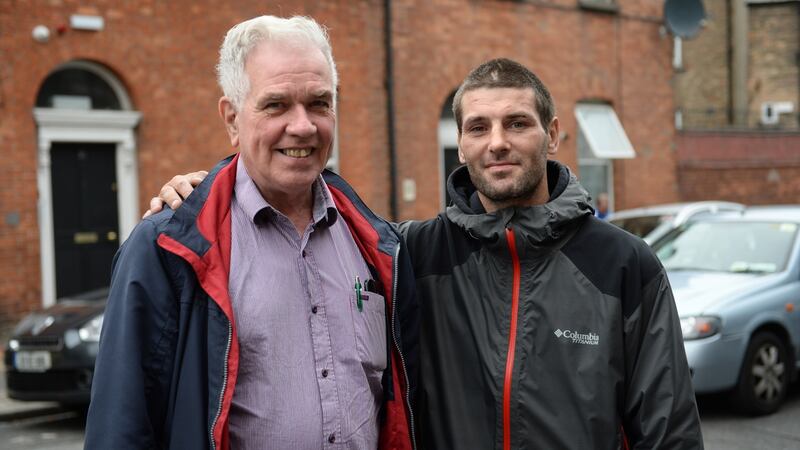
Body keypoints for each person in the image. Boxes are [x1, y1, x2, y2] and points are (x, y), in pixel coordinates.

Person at [150, 59, 703, 448]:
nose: (498, 142)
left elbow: (668, 428)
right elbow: (303, 211)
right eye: (478, 127)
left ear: (552, 134)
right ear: (460, 143)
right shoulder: (409, 252)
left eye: (518, 124)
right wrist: (206, 193)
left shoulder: (624, 264)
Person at [85, 15, 418, 450]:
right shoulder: (166, 248)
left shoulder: (378, 245)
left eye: (319, 103)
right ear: (232, 118)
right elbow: (120, 427)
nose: (302, 126)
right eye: (276, 105)